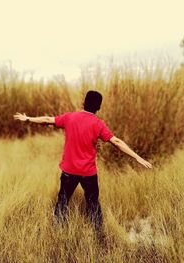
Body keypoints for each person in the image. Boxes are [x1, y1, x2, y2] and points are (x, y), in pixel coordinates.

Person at [13, 90, 152, 232]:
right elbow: (116, 142)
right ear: (99, 107)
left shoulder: (70, 118)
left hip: (69, 171)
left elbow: (48, 120)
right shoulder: (98, 124)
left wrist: (28, 118)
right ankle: (98, 234)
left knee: (62, 202)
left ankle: (58, 232)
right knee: (93, 205)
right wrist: (137, 157)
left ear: (84, 102)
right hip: (88, 173)